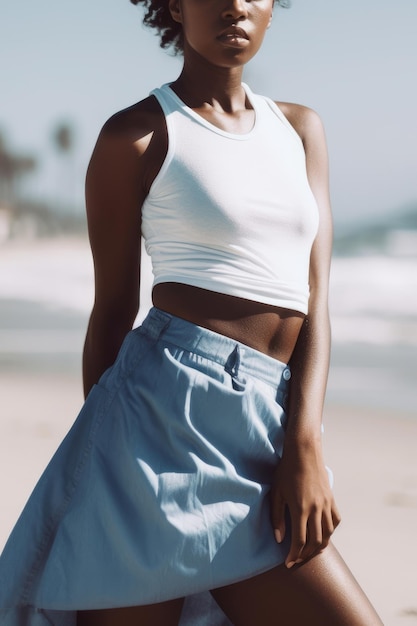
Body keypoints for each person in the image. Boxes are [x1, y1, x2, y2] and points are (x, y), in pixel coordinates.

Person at [0, 0, 384, 624]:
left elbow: (315, 302)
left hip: (266, 421)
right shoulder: (137, 136)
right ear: (175, 5)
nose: (234, 5)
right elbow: (112, 313)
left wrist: (305, 443)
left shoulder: (301, 130)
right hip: (160, 425)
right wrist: (100, 471)